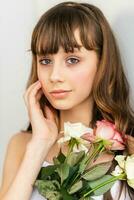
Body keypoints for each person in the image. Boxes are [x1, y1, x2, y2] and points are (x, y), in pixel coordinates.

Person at [0, 1, 134, 200]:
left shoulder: (130, 149)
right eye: (45, 61)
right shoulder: (21, 145)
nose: (54, 76)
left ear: (102, 64)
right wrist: (40, 144)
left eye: (72, 60)